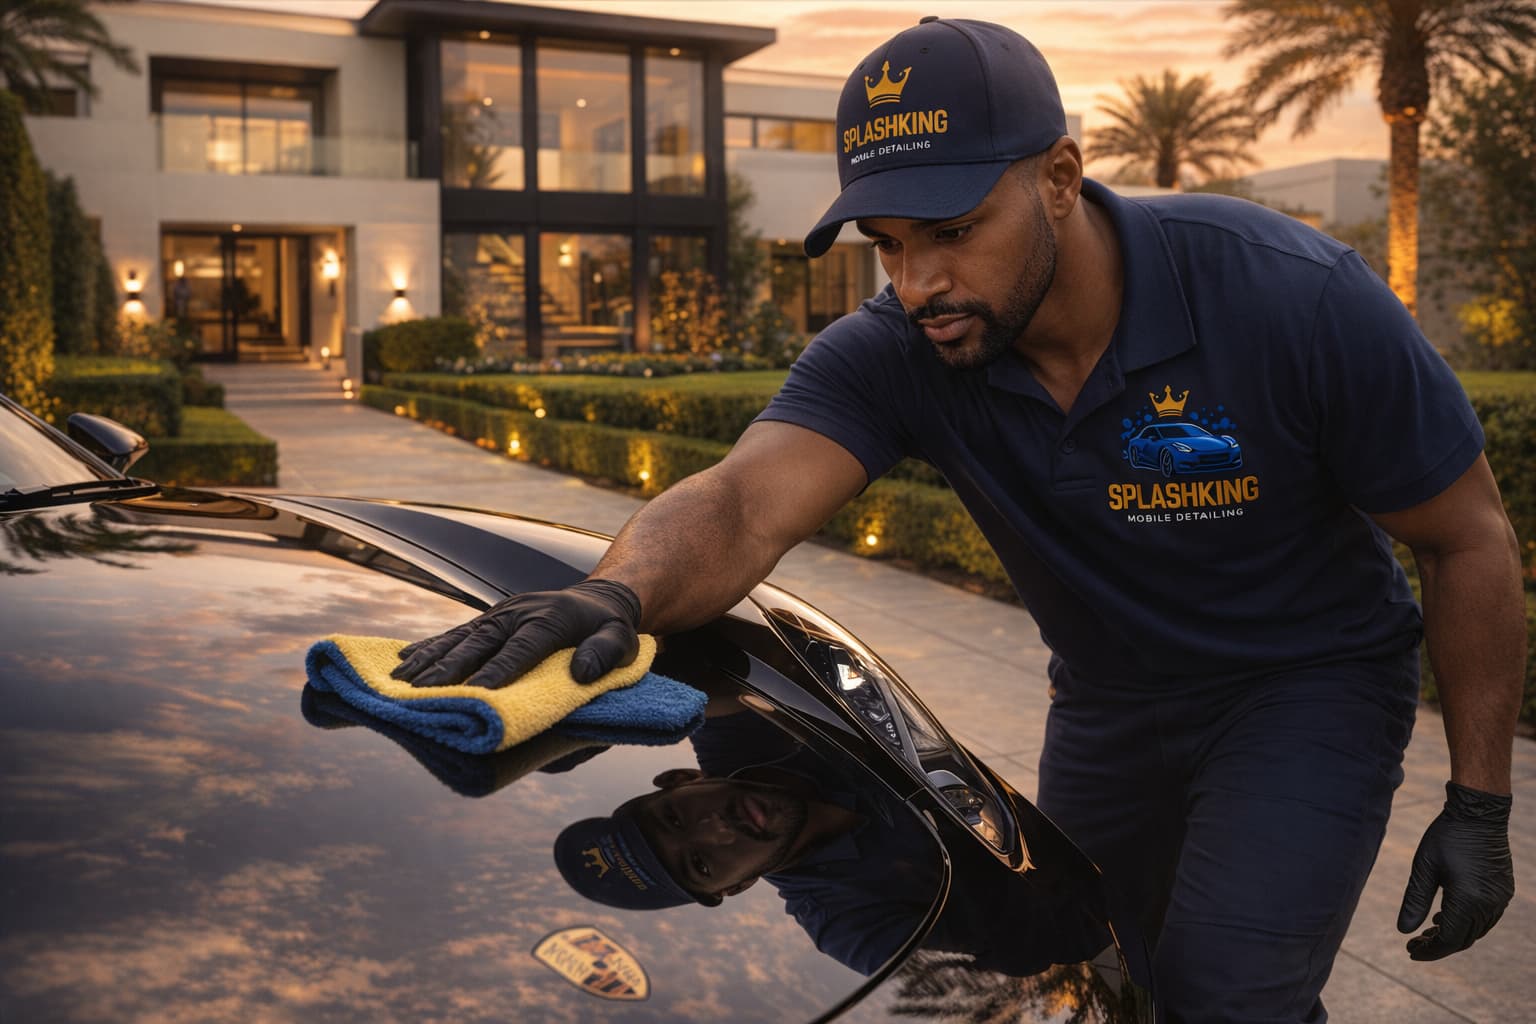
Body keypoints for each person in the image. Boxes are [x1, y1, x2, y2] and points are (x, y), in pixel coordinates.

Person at [394, 17, 1522, 1021]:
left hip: (1305, 683)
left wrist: (1478, 802)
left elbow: (1465, 535)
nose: (918, 279)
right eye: (886, 243)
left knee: (1230, 991)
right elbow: (740, 501)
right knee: (1089, 963)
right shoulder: (900, 351)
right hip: (1111, 698)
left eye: (951, 229)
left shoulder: (1288, 294)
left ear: (1064, 176)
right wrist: (615, 591)